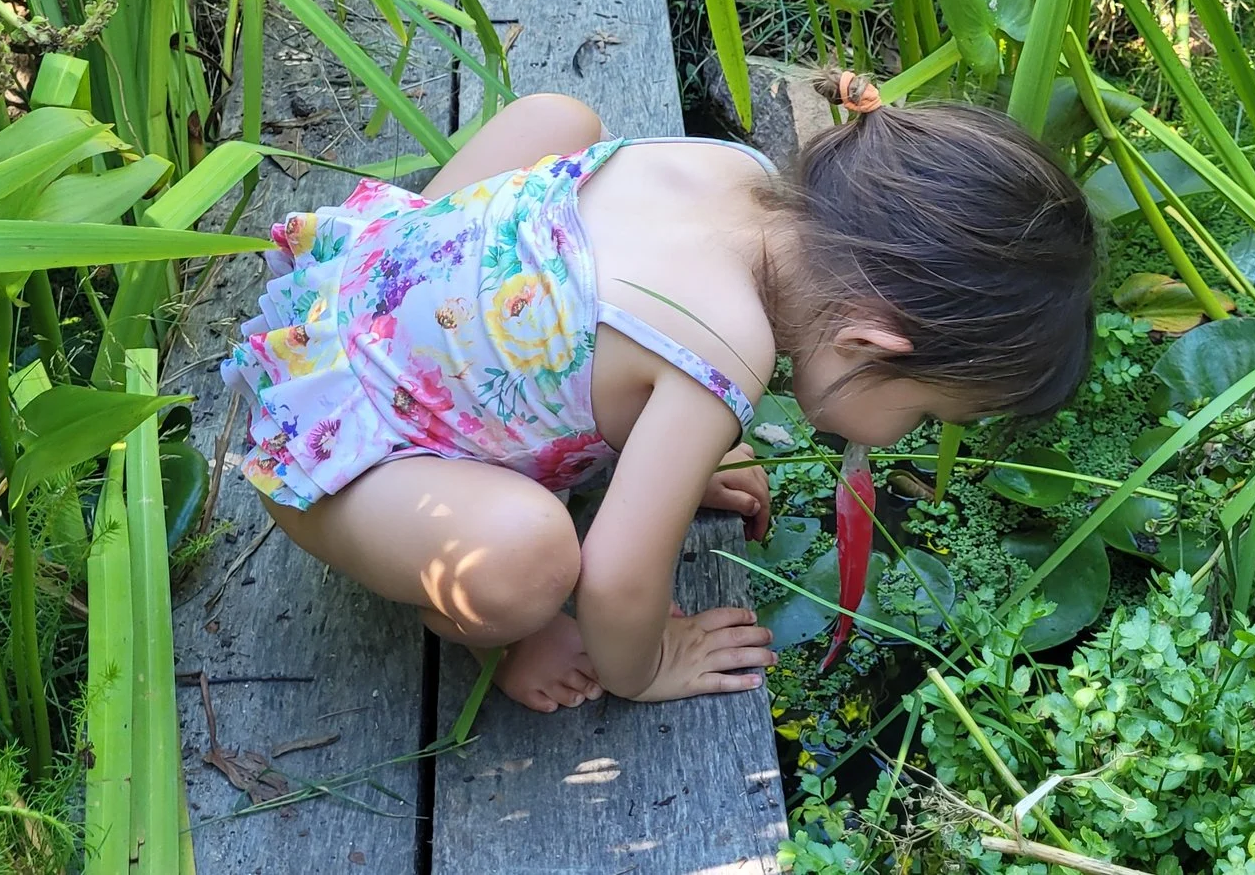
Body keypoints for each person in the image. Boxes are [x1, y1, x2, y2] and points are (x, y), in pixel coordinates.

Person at [221, 72, 1099, 712]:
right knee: (533, 564)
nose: (904, 435)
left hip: (354, 297)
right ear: (868, 343)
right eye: (924, 413)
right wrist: (647, 663)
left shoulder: (733, 171)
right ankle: (486, 630)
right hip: (336, 448)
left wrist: (679, 442)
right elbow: (614, 582)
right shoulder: (719, 352)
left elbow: (620, 322)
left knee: (559, 116)